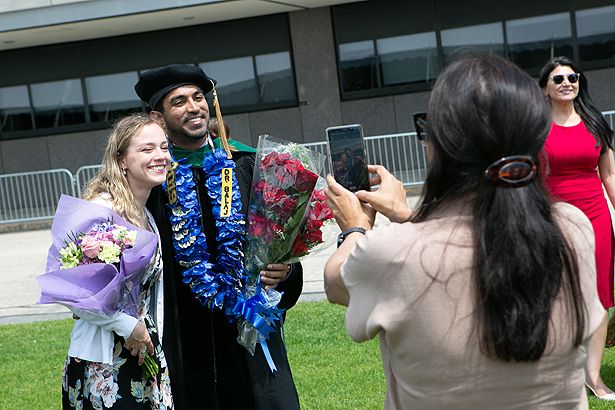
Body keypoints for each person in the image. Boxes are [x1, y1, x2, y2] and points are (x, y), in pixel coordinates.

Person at [323, 54, 604, 409]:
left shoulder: (392, 253)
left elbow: (336, 283)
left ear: (437, 146)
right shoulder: (573, 229)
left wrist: (355, 228)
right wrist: (405, 214)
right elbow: (475, 239)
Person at [135, 64, 302, 410]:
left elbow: (281, 245)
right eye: (178, 101)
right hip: (181, 332)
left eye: (198, 97)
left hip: (245, 329)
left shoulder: (246, 164)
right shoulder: (148, 182)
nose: (194, 107)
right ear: (158, 116)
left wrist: (285, 272)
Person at [62, 113, 173, 408]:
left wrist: (143, 333)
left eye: (163, 147)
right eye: (147, 149)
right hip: (104, 361)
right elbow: (72, 291)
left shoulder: (146, 213)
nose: (160, 156)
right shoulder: (100, 210)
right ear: (122, 159)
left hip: (145, 350)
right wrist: (128, 327)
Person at [538, 56, 615, 400]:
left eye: (572, 77)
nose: (567, 82)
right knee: (556, 295)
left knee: (600, 295)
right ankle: (557, 372)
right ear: (545, 88)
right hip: (554, 218)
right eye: (558, 79)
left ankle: (593, 377)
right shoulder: (535, 127)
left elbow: (609, 175)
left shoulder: (595, 122)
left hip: (596, 216)